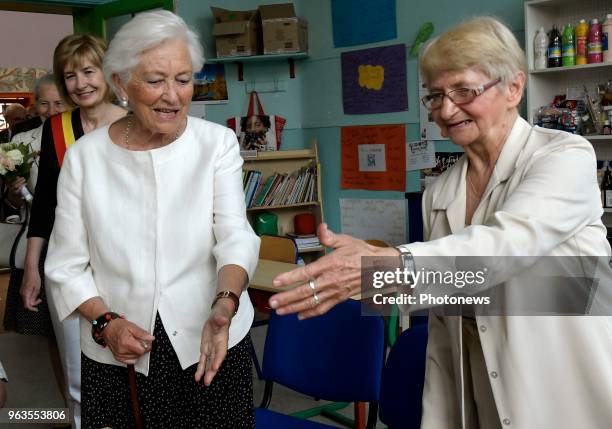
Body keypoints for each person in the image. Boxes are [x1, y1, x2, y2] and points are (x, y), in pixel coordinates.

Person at [269, 17, 612, 429]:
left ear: (514, 88)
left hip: (561, 393)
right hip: (477, 395)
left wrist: (381, 269)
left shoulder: (564, 156)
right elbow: (448, 318)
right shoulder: (440, 192)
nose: (446, 110)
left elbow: (502, 248)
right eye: (435, 96)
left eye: (464, 91)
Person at [45, 10, 259, 429]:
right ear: (122, 83)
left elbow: (235, 234)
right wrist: (106, 323)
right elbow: (66, 264)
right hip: (118, 348)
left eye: (183, 79)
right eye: (155, 80)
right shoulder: (85, 158)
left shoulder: (216, 144)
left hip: (211, 337)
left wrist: (226, 302)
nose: (173, 96)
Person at [16, 34, 127, 429]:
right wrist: (32, 269)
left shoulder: (133, 123)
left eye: (88, 71)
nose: (81, 83)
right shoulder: (57, 128)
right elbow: (44, 203)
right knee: (77, 369)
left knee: (126, 362)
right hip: (68, 264)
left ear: (106, 73)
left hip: (124, 263)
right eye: (70, 75)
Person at [2, 74, 67, 212]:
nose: (51, 111)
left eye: (59, 103)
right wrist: (17, 192)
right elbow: (15, 201)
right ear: (36, 104)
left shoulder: (86, 138)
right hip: (36, 226)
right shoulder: (20, 141)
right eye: (44, 103)